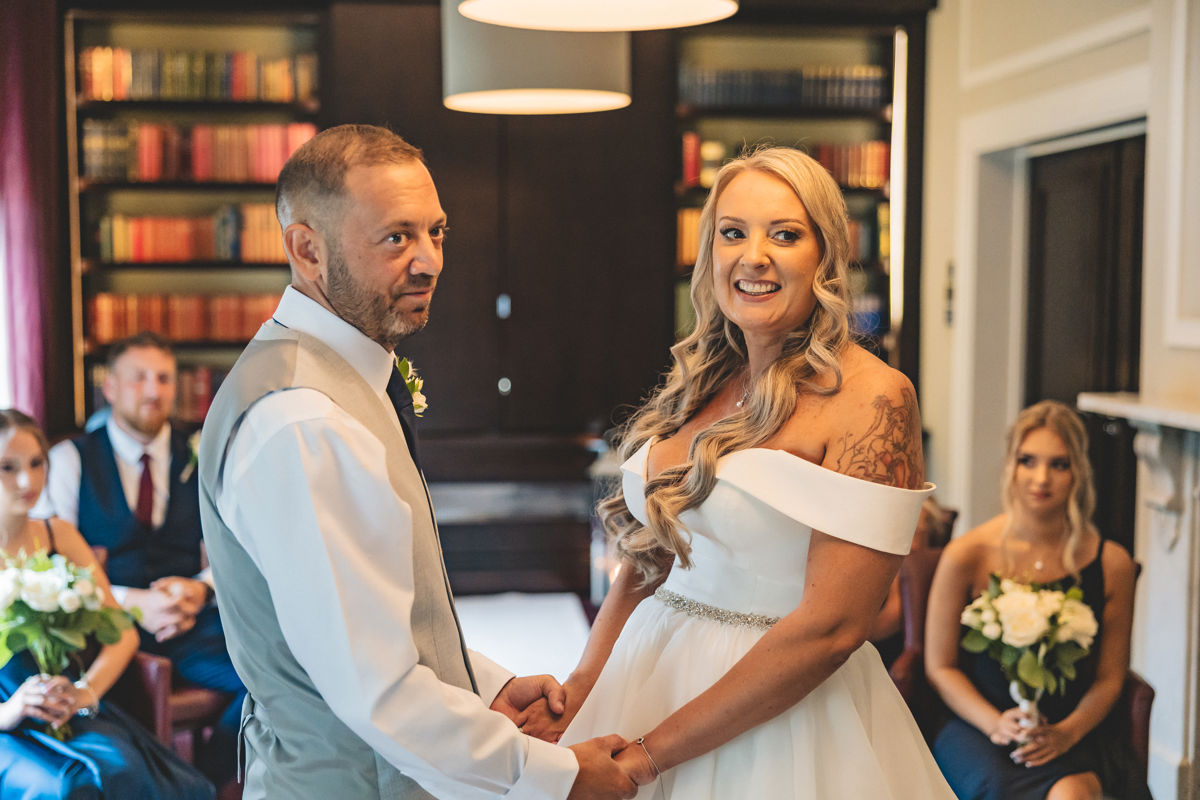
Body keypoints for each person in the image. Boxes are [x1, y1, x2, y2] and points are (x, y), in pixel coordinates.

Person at [197, 124, 636, 800]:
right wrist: (561, 779)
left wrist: (483, 686)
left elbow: (378, 624)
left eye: (436, 232)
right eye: (396, 238)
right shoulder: (304, 421)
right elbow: (379, 690)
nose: (430, 261)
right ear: (307, 250)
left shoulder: (331, 380)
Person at [521, 146, 955, 798]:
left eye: (785, 234)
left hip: (782, 721)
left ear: (827, 254)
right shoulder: (703, 381)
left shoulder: (874, 399)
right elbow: (653, 555)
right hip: (648, 677)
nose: (754, 256)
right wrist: (585, 684)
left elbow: (833, 630)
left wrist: (647, 758)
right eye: (733, 233)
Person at [35, 331, 246, 786]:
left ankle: (203, 783)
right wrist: (132, 603)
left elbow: (236, 545)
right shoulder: (70, 459)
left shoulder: (204, 450)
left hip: (190, 626)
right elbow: (52, 568)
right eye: (139, 378)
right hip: (103, 631)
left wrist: (201, 588)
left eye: (164, 379)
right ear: (110, 387)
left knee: (269, 674)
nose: (154, 391)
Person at [925, 400, 1151, 800]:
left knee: (1071, 794)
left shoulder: (1111, 563)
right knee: (999, 788)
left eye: (1059, 464)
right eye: (1027, 461)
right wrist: (995, 723)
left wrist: (1067, 733)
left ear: (1078, 472)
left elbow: (1110, 678)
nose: (1041, 478)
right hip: (977, 725)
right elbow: (941, 667)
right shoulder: (966, 556)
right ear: (1010, 466)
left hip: (1075, 727)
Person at [0, 408, 214, 798]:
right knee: (67, 785)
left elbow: (122, 631)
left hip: (65, 704)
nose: (27, 480)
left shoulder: (58, 535)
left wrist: (86, 692)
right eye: (8, 468)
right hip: (6, 721)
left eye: (35, 463)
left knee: (123, 770)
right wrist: (8, 712)